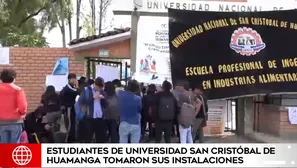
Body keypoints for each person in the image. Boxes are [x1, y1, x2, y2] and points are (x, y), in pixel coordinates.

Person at [75, 77, 107, 143]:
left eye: (101, 88)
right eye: (98, 88)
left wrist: (103, 99)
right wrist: (93, 98)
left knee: (101, 140)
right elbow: (81, 101)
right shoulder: (86, 90)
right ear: (95, 84)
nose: (99, 89)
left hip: (100, 118)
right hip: (89, 118)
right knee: (88, 138)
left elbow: (106, 105)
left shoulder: (102, 91)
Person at [0, 69, 27, 143]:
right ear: (14, 79)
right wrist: (21, 113)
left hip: (1, 122)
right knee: (14, 147)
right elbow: (23, 107)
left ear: (1, 78)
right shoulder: (18, 90)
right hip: (15, 122)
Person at [60, 73, 79, 142]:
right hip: (68, 107)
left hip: (72, 107)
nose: (75, 80)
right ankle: (68, 139)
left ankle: (72, 137)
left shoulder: (71, 87)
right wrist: (77, 86)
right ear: (69, 79)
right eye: (73, 79)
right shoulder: (69, 87)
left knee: (73, 122)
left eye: (75, 78)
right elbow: (76, 92)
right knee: (70, 124)